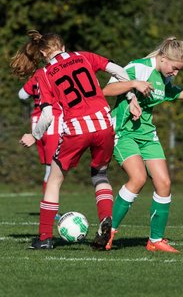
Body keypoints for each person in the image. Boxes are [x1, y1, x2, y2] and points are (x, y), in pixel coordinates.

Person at [19, 30, 153, 250]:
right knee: (100, 174)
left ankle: (44, 238)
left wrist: (34, 135)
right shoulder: (83, 56)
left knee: (54, 179)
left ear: (44, 52)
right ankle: (105, 220)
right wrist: (131, 97)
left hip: (77, 128)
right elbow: (119, 71)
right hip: (104, 124)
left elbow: (47, 115)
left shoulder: (44, 73)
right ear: (63, 46)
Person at [102, 36, 183, 253]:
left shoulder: (163, 76)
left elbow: (171, 93)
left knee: (164, 183)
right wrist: (133, 84)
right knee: (138, 178)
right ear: (162, 58)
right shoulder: (138, 68)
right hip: (124, 133)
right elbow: (106, 90)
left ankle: (155, 241)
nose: (175, 73)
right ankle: (107, 233)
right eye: (175, 68)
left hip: (148, 134)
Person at [10, 51, 64, 196]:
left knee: (48, 167)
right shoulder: (54, 73)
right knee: (53, 169)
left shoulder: (36, 76)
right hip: (53, 121)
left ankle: (48, 206)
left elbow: (22, 95)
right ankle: (49, 206)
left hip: (36, 123)